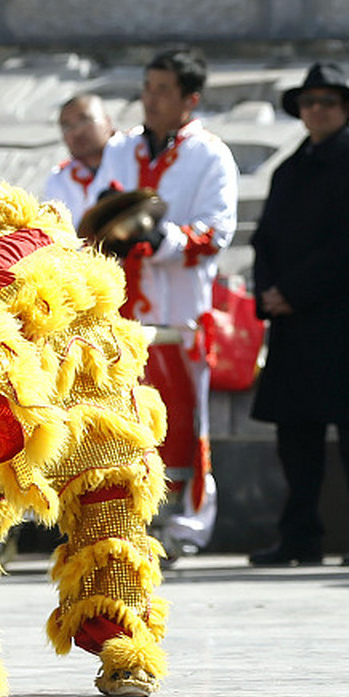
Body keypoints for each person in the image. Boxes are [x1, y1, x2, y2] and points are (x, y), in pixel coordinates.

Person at [249, 63, 349, 567]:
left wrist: (293, 290)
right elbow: (265, 239)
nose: (317, 110)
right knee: (296, 436)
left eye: (328, 102)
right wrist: (268, 292)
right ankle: (299, 538)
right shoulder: (289, 170)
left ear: (346, 108)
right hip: (294, 322)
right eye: (309, 102)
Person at [106, 50, 240, 554]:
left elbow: (216, 232)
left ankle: (187, 524)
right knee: (126, 420)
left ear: (191, 99)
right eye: (147, 88)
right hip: (125, 309)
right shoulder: (120, 150)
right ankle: (130, 516)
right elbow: (104, 210)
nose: (151, 99)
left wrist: (159, 239)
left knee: (188, 420)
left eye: (163, 90)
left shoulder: (211, 155)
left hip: (182, 312)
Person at [43, 91, 122, 224]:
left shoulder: (138, 152)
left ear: (108, 122)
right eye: (67, 126)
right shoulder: (59, 179)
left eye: (84, 120)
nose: (77, 132)